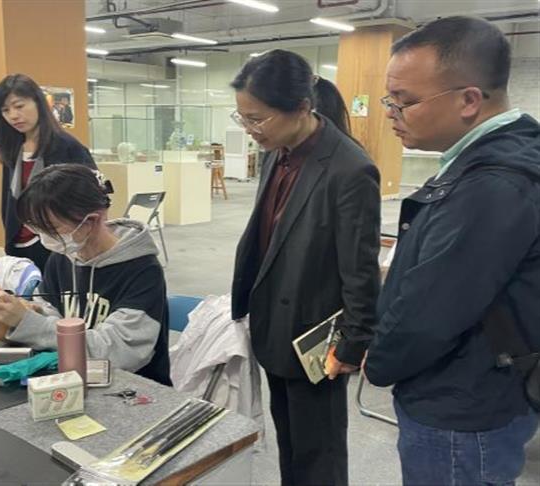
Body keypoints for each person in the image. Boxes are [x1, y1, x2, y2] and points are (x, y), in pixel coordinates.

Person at [364, 16, 540, 485]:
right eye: (389, 99)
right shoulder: (501, 162)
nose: (391, 112)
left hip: (461, 408)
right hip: (483, 389)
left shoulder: (491, 186)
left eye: (404, 101)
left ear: (469, 100)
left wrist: (377, 360)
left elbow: (429, 312)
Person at [230, 49, 381, 486]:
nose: (249, 130)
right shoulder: (276, 153)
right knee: (290, 443)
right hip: (274, 327)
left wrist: (353, 344)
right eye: (243, 118)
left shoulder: (350, 169)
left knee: (320, 452)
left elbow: (360, 269)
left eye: (257, 119)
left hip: (317, 339)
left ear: (300, 107)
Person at [0, 164, 171, 386]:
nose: (44, 237)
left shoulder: (142, 271)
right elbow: (50, 308)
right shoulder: (62, 255)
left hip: (133, 385)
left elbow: (117, 352)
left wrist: (28, 323)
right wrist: (32, 311)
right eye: (36, 227)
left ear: (91, 220)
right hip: (72, 374)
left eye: (52, 228)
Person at [0, 74, 96, 272]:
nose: (13, 115)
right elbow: (8, 200)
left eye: (19, 106)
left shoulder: (67, 147)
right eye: (5, 110)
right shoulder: (13, 149)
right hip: (18, 243)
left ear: (38, 103)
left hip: (57, 247)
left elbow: (92, 200)